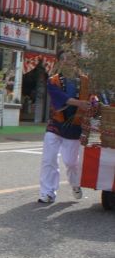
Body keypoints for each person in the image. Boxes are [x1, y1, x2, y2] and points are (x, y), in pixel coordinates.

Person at [39, 49, 91, 203]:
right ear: (60, 62)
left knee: (71, 162)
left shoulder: (85, 81)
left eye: (71, 58)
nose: (68, 61)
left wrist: (92, 104)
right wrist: (80, 103)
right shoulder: (53, 80)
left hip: (74, 127)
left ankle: (75, 184)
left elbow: (92, 97)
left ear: (75, 62)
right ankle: (47, 193)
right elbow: (61, 98)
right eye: (65, 59)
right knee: (49, 159)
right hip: (55, 124)